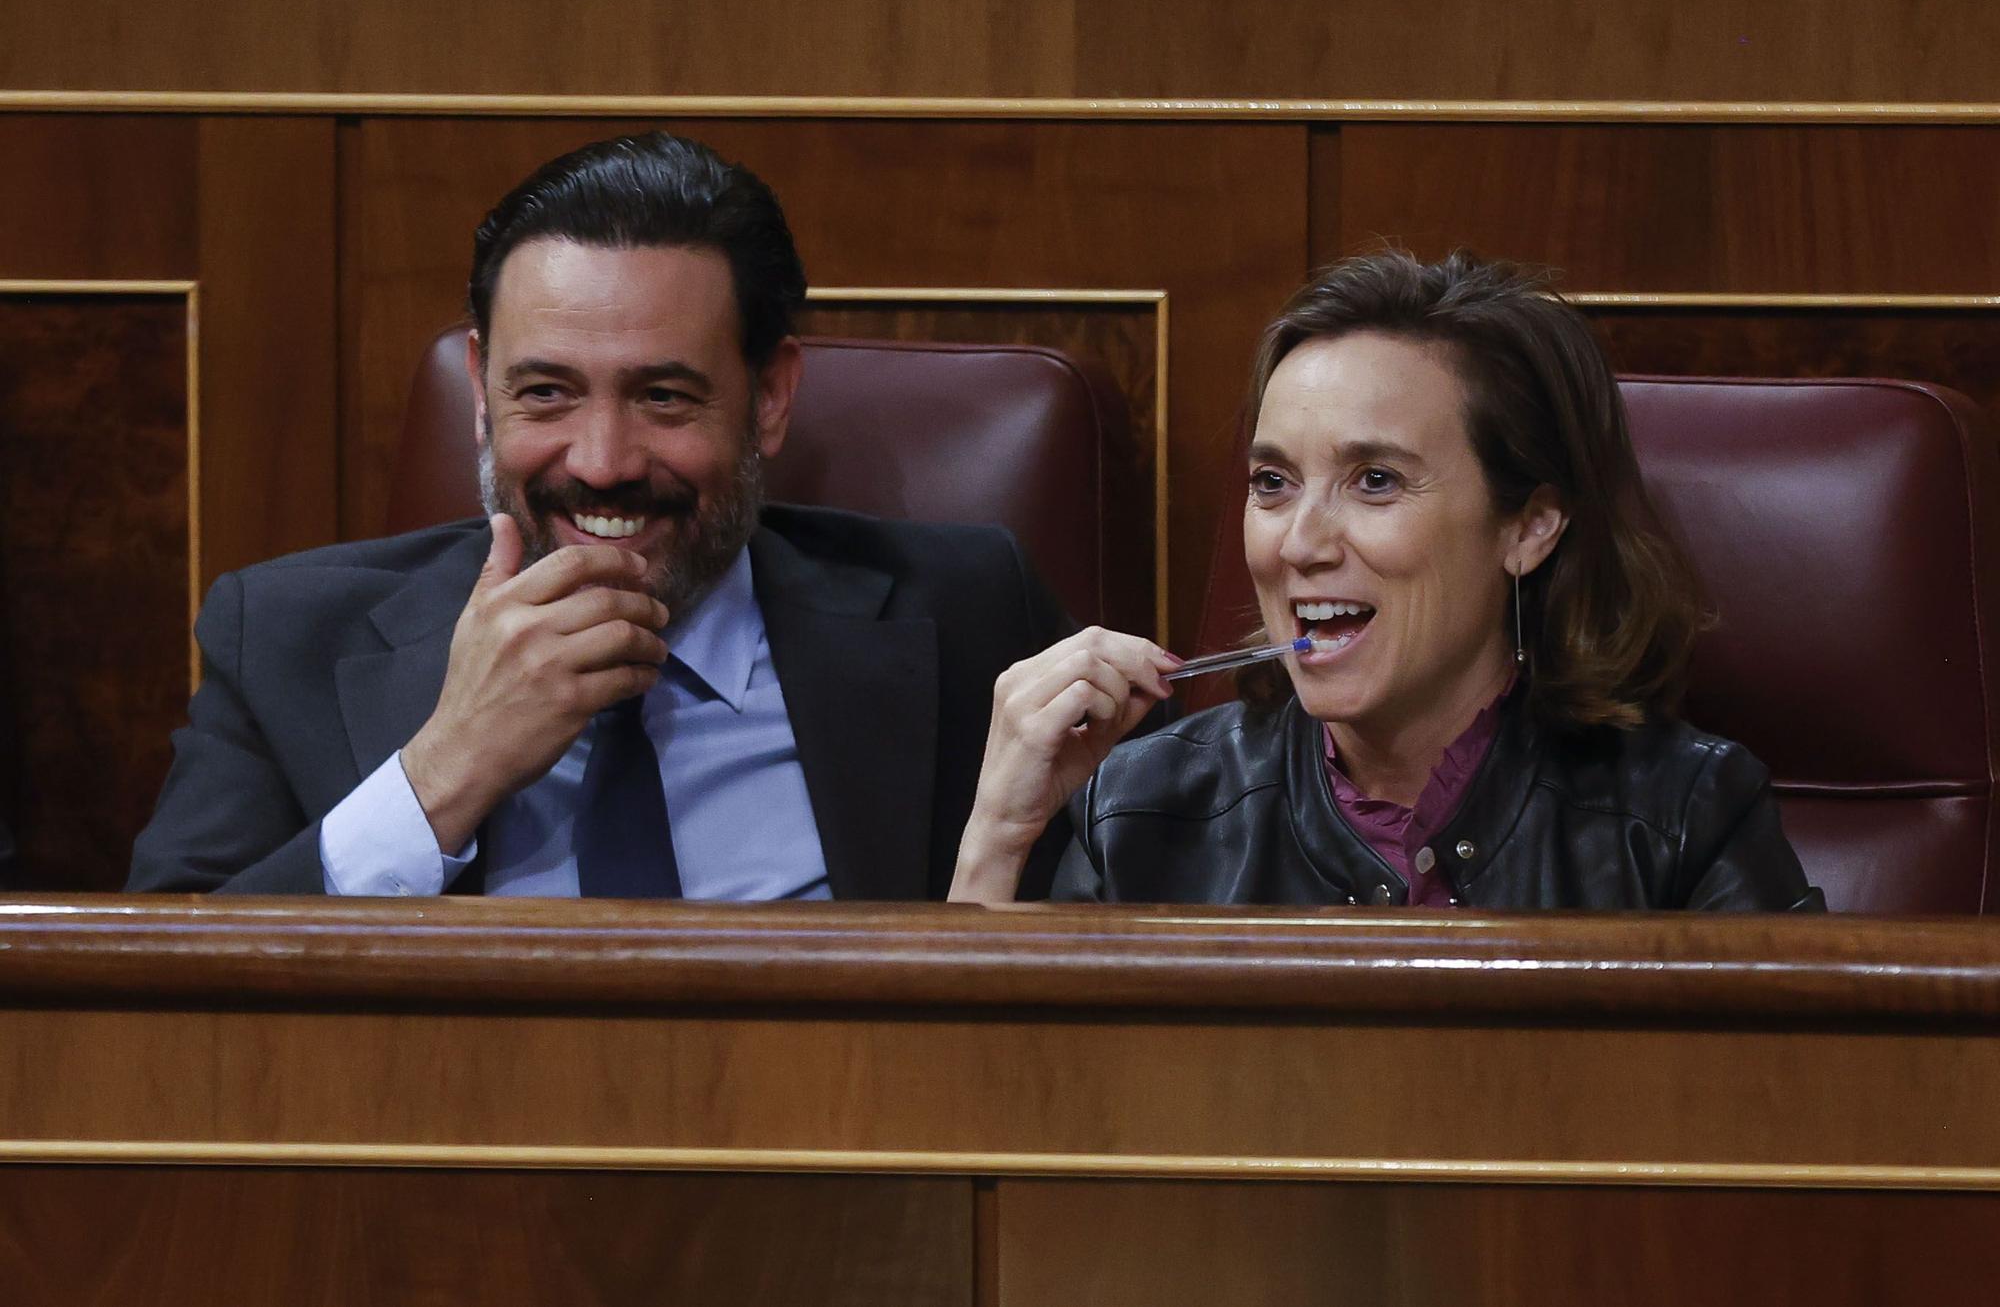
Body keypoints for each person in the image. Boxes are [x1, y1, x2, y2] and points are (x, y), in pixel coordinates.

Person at [130, 131, 1075, 900]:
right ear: (479, 388)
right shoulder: (286, 638)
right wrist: (442, 776)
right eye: (545, 393)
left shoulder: (966, 612)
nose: (602, 463)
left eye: (664, 397)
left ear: (772, 397)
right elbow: (150, 1009)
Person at [951, 250, 1824, 911]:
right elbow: (994, 1124)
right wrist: (997, 839)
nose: (1299, 543)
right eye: (1272, 483)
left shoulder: (1688, 819)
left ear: (1529, 526)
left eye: (1375, 481)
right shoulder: (1139, 808)